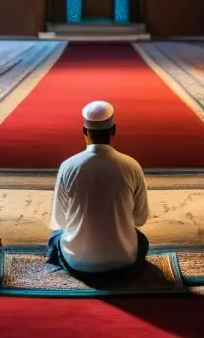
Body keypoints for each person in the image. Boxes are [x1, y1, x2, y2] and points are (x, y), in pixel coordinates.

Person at [47, 101, 150, 276]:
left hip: (77, 261)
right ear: (114, 130)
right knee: (141, 240)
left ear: (84, 131)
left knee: (54, 238)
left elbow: (60, 220)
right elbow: (140, 218)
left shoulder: (68, 166)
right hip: (124, 259)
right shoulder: (131, 166)